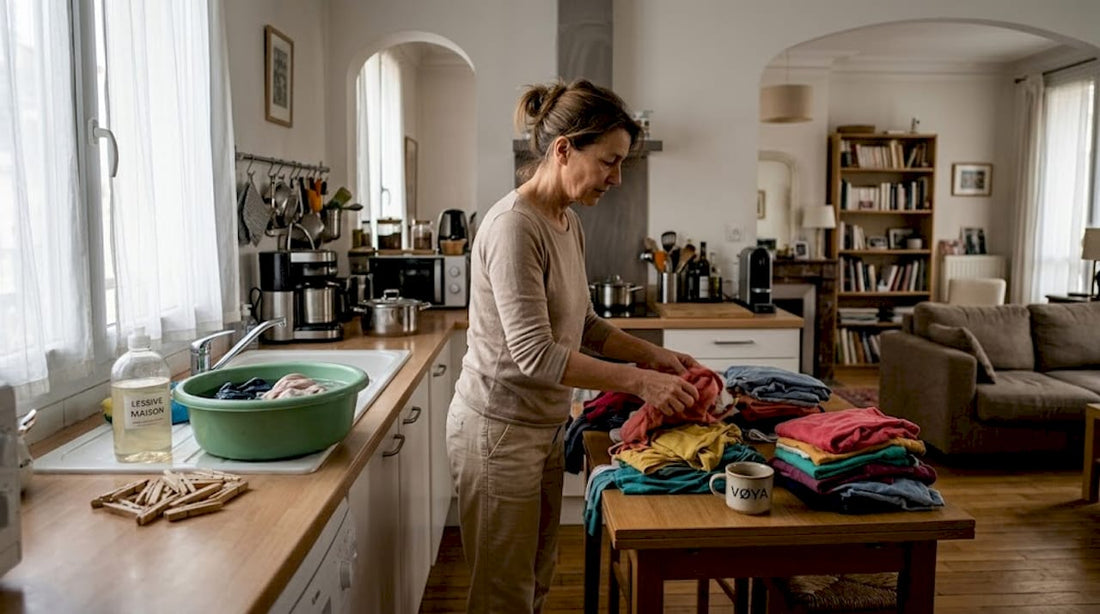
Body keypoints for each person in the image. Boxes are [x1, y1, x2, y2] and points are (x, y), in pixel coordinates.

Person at [446, 78, 703, 613]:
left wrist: (654, 355)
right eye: (609, 161)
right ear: (563, 150)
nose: (617, 178)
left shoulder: (566, 223)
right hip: (498, 432)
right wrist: (641, 382)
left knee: (536, 579)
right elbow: (536, 354)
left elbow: (585, 323)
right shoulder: (515, 227)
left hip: (541, 426)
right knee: (501, 596)